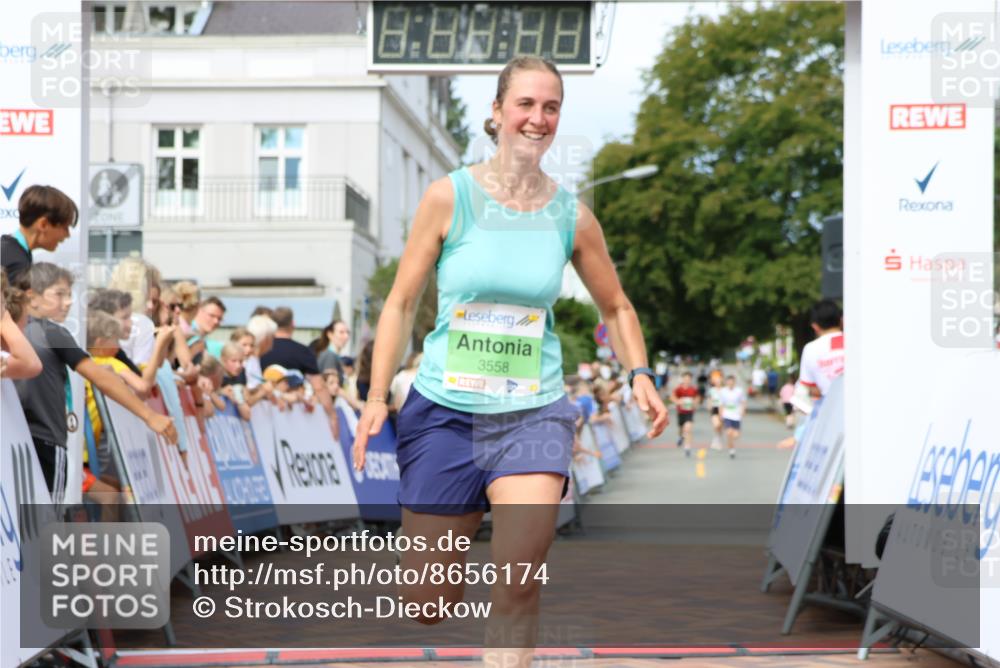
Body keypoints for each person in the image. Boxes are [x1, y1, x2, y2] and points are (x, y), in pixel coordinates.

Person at [350, 56, 668, 668]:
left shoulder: (571, 215)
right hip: (444, 412)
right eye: (525, 104)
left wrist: (640, 375)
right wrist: (375, 396)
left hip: (533, 414)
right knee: (427, 602)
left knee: (520, 578)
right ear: (497, 112)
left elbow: (617, 306)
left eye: (551, 107)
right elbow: (401, 302)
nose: (538, 118)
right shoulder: (450, 197)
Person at [14, 263, 177, 504]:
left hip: (17, 439)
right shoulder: (52, 333)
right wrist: (149, 415)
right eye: (60, 294)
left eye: (69, 294)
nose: (69, 302)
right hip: (45, 441)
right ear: (31, 296)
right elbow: (100, 377)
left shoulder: (14, 332)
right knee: (44, 519)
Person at [260, 306, 338, 436]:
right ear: (293, 324)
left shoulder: (261, 349)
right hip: (291, 420)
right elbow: (319, 386)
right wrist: (332, 416)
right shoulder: (302, 351)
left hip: (262, 415)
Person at [1, 185, 78, 284]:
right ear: (43, 224)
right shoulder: (16, 264)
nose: (67, 235)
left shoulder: (11, 251)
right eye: (65, 228)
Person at [799, 299, 845, 398]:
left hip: (829, 403)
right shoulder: (857, 342)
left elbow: (810, 387)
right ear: (841, 320)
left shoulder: (810, 349)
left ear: (815, 326)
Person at [718, 375, 746, 459]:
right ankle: (731, 450)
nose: (730, 383)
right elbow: (721, 403)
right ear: (726, 382)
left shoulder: (739, 391)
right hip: (727, 414)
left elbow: (743, 401)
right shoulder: (723, 391)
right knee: (729, 432)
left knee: (736, 435)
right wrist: (720, 414)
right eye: (729, 381)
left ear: (734, 382)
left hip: (736, 415)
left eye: (732, 381)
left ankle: (731, 445)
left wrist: (743, 410)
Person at [670, 371, 699, 456]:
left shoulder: (693, 389)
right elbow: (672, 397)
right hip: (681, 412)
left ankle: (687, 447)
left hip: (689, 412)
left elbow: (697, 398)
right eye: (685, 379)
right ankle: (680, 437)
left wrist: (694, 402)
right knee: (681, 429)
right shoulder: (679, 389)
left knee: (688, 429)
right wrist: (678, 401)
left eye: (688, 379)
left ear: (691, 380)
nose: (687, 380)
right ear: (682, 379)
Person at [706, 372, 724, 450]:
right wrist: (709, 405)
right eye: (716, 380)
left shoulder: (724, 390)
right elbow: (709, 399)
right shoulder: (711, 390)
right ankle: (716, 439)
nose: (718, 382)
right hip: (715, 408)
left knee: (720, 426)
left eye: (719, 380)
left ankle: (717, 439)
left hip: (723, 409)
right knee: (716, 424)